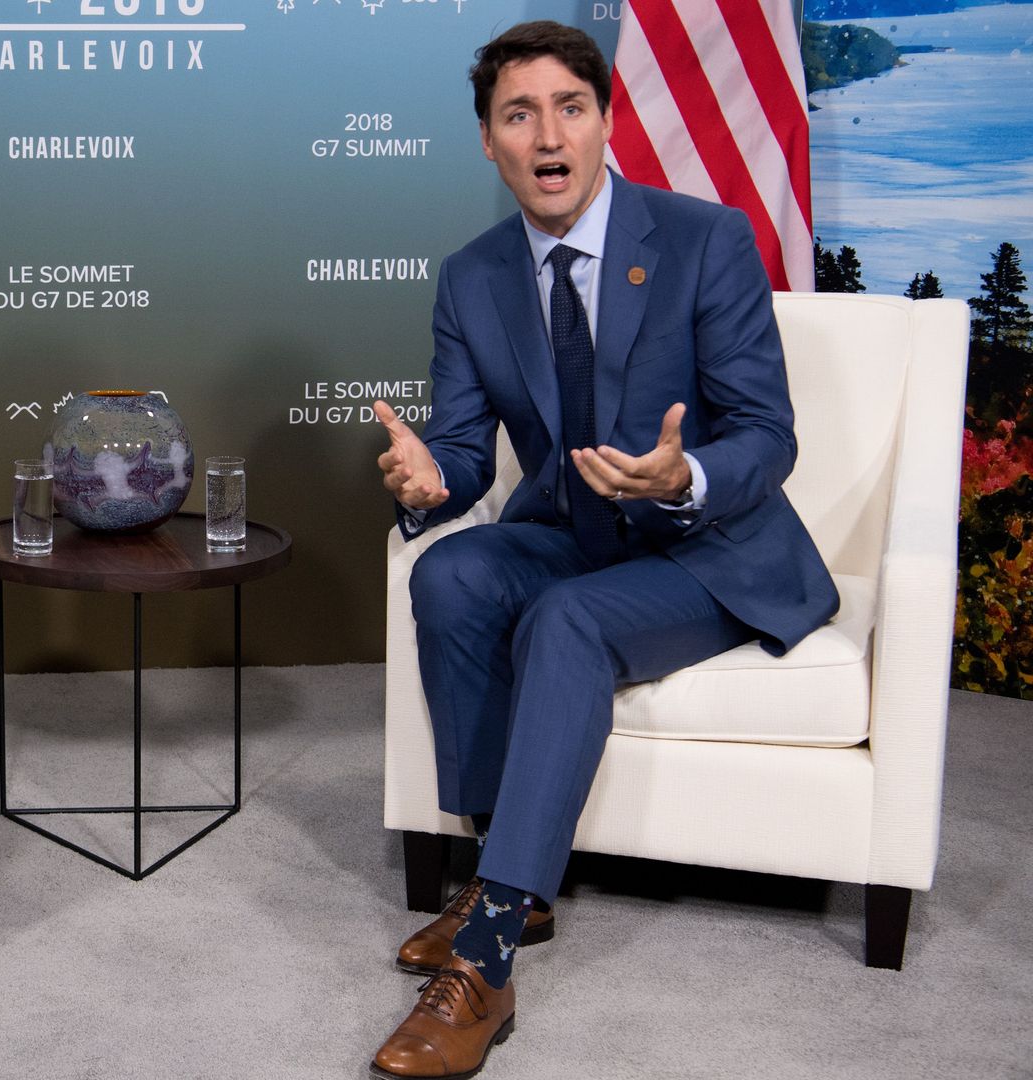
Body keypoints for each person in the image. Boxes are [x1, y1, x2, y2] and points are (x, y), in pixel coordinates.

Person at [367, 21, 838, 1080]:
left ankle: (484, 961)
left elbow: (769, 435)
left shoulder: (704, 238)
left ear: (606, 123)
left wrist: (686, 476)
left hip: (705, 552)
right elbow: (458, 446)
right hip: (572, 535)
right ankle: (512, 884)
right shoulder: (471, 276)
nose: (548, 135)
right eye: (517, 115)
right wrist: (431, 480)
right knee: (451, 569)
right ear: (488, 143)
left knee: (566, 619)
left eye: (569, 108)